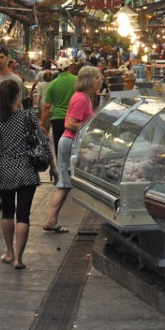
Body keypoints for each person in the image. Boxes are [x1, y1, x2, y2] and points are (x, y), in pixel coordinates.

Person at [0, 79, 42, 270]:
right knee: (23, 215)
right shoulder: (28, 116)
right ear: (17, 97)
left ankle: (9, 252)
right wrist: (54, 169)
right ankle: (19, 258)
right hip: (27, 170)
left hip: (6, 171)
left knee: (8, 212)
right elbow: (42, 142)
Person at [41, 64, 101, 233]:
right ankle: (51, 219)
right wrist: (90, 128)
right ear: (89, 80)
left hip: (71, 142)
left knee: (65, 184)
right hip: (69, 142)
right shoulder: (81, 98)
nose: (100, 81)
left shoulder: (85, 97)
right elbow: (70, 123)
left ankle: (52, 220)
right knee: (65, 183)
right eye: (97, 78)